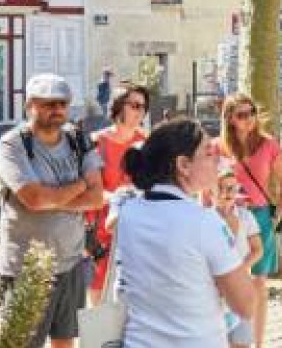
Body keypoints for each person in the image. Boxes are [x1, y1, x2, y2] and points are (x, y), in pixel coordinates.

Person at [107, 117, 258, 347]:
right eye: (208, 153)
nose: (217, 159)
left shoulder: (128, 212)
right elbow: (245, 305)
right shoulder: (204, 221)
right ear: (183, 165)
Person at [0, 73, 106, 348]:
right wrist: (80, 184)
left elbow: (97, 198)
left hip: (70, 261)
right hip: (26, 269)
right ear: (30, 106)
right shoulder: (13, 144)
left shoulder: (77, 140)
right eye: (48, 104)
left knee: (65, 340)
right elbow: (34, 199)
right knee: (21, 342)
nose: (57, 110)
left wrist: (52, 199)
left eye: (62, 103)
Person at [218, 93, 282, 347]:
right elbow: (206, 187)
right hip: (227, 217)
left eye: (251, 113)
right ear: (229, 119)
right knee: (225, 279)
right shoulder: (217, 147)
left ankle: (258, 344)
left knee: (259, 282)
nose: (249, 119)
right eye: (241, 115)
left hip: (260, 217)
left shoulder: (268, 144)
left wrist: (276, 217)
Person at [86, 84, 151, 304]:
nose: (140, 112)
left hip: (137, 228)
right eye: (134, 105)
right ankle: (98, 339)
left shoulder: (148, 143)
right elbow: (87, 187)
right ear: (118, 106)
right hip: (104, 228)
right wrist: (116, 197)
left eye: (144, 107)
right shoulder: (97, 142)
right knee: (99, 294)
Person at [209, 164, 263, 348]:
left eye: (232, 188)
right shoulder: (205, 218)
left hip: (240, 287)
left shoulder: (246, 217)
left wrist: (240, 269)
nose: (227, 193)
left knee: (241, 340)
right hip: (213, 289)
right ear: (211, 190)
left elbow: (257, 249)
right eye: (221, 188)